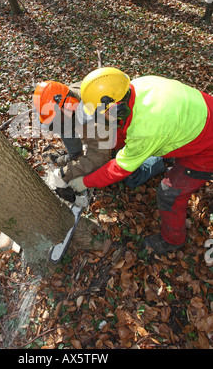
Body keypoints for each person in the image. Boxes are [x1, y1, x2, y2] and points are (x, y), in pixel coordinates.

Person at [67, 67, 213, 255]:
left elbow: (121, 168)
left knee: (169, 194)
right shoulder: (137, 86)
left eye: (100, 113)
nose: (100, 119)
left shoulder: (146, 127)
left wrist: (84, 182)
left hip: (206, 149)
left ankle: (171, 241)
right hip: (196, 117)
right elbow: (122, 128)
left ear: (116, 108)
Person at [33, 80, 166, 189]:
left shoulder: (94, 117)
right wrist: (74, 155)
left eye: (59, 118)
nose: (58, 123)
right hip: (112, 129)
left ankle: (161, 159)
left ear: (69, 105)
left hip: (140, 131)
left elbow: (98, 159)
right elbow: (65, 127)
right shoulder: (69, 95)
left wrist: (63, 174)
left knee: (129, 175)